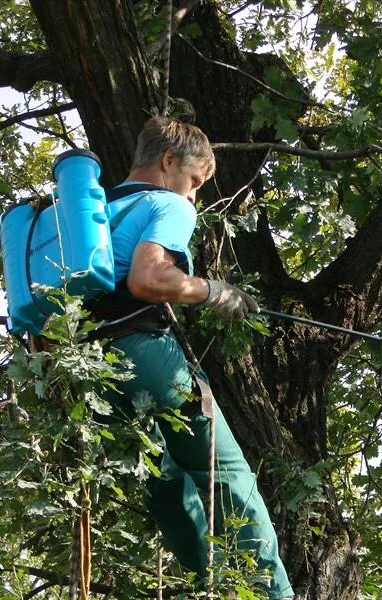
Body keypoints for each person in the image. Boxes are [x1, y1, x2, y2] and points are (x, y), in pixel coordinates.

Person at [89, 116, 294, 598]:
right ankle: (273, 595)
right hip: (141, 353)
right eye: (195, 182)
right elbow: (148, 279)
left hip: (82, 373)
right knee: (226, 477)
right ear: (168, 161)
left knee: (161, 481)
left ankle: (211, 588)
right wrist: (211, 290)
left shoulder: (95, 211)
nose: (194, 196)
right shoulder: (166, 203)